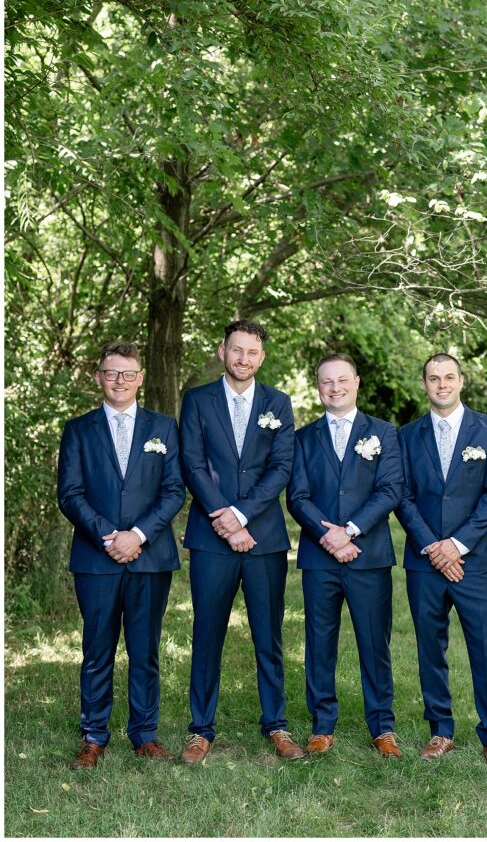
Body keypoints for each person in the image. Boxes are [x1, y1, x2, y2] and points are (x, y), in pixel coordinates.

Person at [58, 341, 185, 770]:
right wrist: (109, 536)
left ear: (141, 378)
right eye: (112, 373)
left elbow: (173, 492)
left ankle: (145, 735)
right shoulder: (78, 429)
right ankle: (93, 736)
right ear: (98, 377)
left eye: (128, 374)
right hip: (97, 558)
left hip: (150, 557)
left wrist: (138, 535)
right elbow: (70, 494)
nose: (119, 381)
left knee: (145, 649)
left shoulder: (164, 428)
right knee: (97, 649)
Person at [179, 320, 302, 762]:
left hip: (264, 538)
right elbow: (192, 464)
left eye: (251, 352)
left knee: (268, 635)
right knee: (207, 632)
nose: (243, 359)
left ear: (261, 357)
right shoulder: (196, 400)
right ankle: (200, 729)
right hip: (211, 538)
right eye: (236, 350)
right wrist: (225, 520)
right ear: (222, 351)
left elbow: (281, 467)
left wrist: (243, 515)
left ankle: (277, 724)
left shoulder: (279, 403)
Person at [286, 354, 403, 758]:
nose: (334, 388)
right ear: (318, 387)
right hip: (320, 559)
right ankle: (322, 725)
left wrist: (349, 531)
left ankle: (382, 727)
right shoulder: (302, 438)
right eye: (326, 382)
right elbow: (297, 496)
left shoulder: (384, 433)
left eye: (342, 380)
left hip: (368, 555)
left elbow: (390, 490)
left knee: (375, 643)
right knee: (320, 642)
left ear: (356, 382)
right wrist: (327, 535)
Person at [396, 353, 487, 766]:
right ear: (424, 384)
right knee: (431, 648)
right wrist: (433, 547)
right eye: (433, 378)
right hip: (424, 561)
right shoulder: (406, 435)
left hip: (474, 561)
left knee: (486, 649)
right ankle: (440, 730)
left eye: (448, 377)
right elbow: (402, 496)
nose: (441, 384)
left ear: (461, 381)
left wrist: (457, 545)